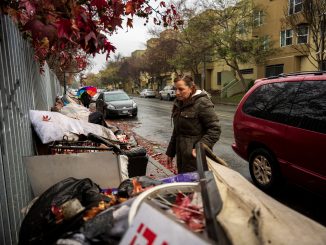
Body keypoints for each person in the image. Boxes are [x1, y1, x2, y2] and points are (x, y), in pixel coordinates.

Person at [166, 75, 221, 173]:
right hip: (182, 157)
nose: (177, 93)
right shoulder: (180, 103)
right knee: (185, 184)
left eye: (181, 89)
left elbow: (215, 129)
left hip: (197, 158)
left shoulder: (202, 102)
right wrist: (170, 152)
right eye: (176, 89)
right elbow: (177, 131)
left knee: (198, 186)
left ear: (191, 88)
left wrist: (201, 147)